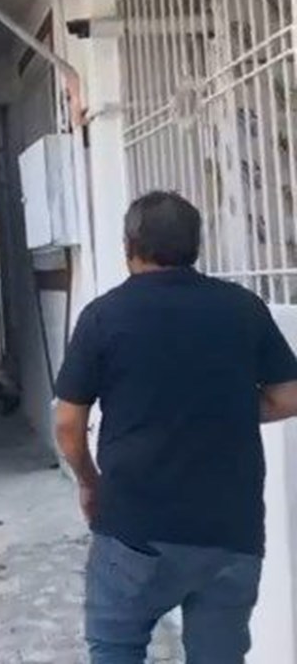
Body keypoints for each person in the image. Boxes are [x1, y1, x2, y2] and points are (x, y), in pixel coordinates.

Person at [54, 191, 297, 664]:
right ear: (196, 245)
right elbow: (287, 396)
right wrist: (226, 407)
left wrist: (88, 481)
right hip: (231, 530)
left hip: (134, 528)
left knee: (116, 650)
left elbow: (67, 422)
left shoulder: (104, 316)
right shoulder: (243, 307)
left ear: (130, 245)